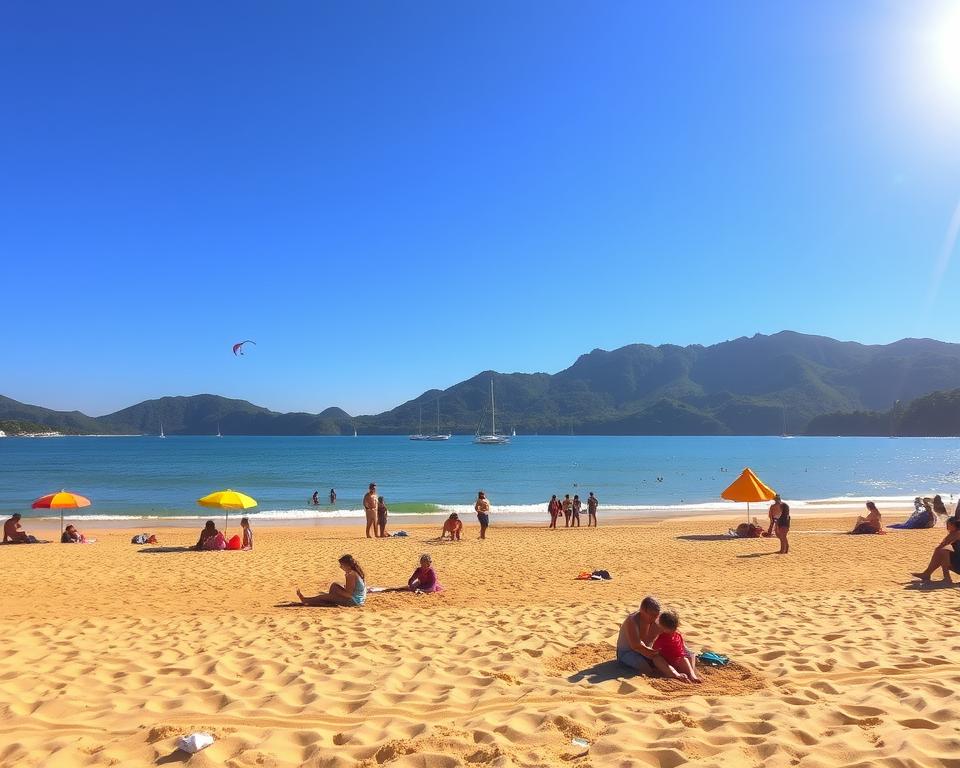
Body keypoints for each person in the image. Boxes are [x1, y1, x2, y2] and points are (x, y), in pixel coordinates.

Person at [616, 596, 693, 681]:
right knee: (649, 667)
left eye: (656, 615)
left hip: (649, 650)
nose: (655, 618)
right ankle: (674, 675)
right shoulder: (632, 621)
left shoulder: (657, 619)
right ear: (643, 612)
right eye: (652, 615)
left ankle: (691, 675)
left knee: (687, 655)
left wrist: (683, 650)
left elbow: (672, 633)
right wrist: (653, 653)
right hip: (628, 652)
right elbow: (636, 646)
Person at [297, 554, 367, 606]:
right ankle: (330, 599)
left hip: (354, 602)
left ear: (347, 566)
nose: (340, 567)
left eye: (342, 565)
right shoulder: (354, 572)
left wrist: (337, 593)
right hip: (357, 600)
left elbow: (348, 594)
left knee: (325, 596)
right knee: (334, 586)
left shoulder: (351, 574)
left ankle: (305, 600)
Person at [653, 609, 700, 683]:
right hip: (675, 663)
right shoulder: (677, 635)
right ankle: (689, 675)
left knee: (657, 659)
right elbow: (683, 649)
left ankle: (682, 675)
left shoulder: (661, 638)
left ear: (662, 627)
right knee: (684, 659)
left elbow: (654, 650)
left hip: (671, 663)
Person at [911, 516, 960, 585]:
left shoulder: (955, 534)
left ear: (954, 525)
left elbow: (941, 547)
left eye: (948, 525)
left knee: (942, 551)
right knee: (943, 551)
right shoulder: (956, 533)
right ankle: (927, 574)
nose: (947, 527)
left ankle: (946, 578)